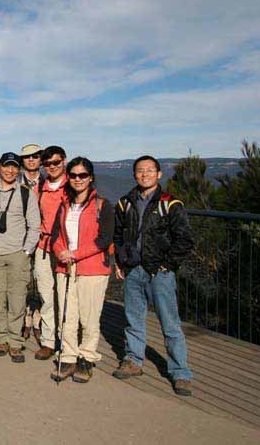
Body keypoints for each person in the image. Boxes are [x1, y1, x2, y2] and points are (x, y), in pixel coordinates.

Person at [112, 155, 195, 396]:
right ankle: (133, 361)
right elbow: (118, 235)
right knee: (133, 318)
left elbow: (185, 239)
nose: (144, 174)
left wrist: (167, 265)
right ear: (134, 175)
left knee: (170, 323)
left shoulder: (170, 203)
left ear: (159, 174)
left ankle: (181, 372)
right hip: (134, 269)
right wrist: (120, 259)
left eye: (150, 170)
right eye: (140, 170)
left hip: (160, 272)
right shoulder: (124, 203)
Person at [49, 157, 114, 382]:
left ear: (91, 178)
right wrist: (61, 253)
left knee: (89, 317)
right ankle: (68, 357)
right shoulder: (65, 205)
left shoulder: (102, 206)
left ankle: (86, 358)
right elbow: (55, 235)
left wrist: (75, 254)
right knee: (67, 315)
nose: (78, 179)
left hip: (92, 268)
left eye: (83, 175)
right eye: (74, 175)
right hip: (65, 267)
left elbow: (104, 239)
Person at [0, 153, 41, 364]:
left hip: (18, 254)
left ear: (18, 170)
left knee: (17, 300)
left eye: (14, 167)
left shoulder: (26, 194)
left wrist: (27, 251)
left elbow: (34, 225)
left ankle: (16, 342)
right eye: (6, 166)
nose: (10, 171)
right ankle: (2, 339)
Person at [32, 145, 68, 360]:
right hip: (43, 247)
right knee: (47, 296)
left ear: (63, 160)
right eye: (47, 164)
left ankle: (67, 341)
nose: (52, 167)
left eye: (56, 162)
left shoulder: (73, 184)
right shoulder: (41, 186)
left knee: (65, 296)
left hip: (65, 248)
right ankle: (48, 341)